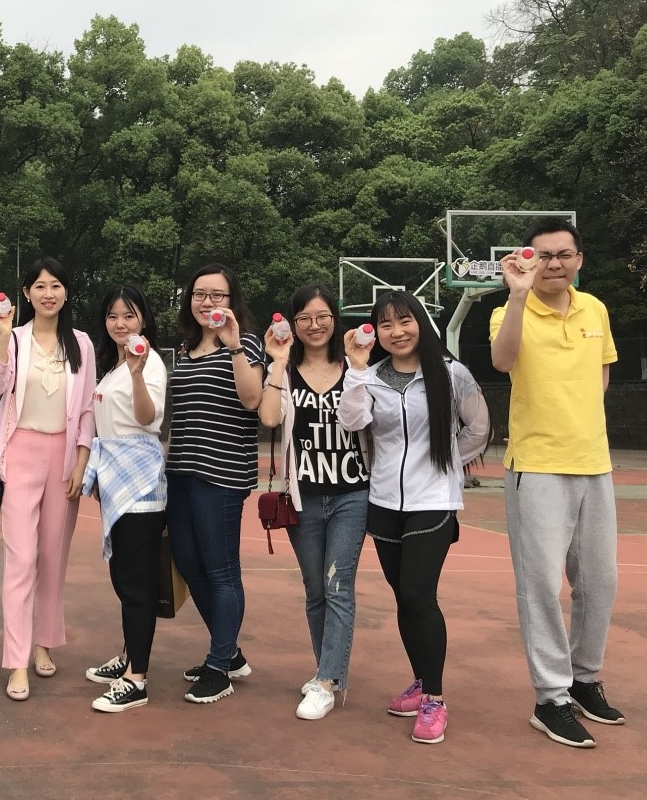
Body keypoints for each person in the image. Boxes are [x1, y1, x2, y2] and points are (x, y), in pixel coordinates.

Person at [490, 217, 624, 748]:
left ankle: (584, 678)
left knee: (600, 582)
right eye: (542, 255)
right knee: (541, 587)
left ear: (579, 259)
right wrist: (518, 296)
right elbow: (502, 360)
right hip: (538, 465)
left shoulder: (595, 309)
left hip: (594, 462)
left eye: (563, 254)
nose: (553, 264)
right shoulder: (509, 309)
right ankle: (550, 698)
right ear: (528, 260)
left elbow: (602, 374)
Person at [338, 290, 489, 745]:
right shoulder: (370, 377)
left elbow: (479, 427)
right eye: (386, 324)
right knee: (403, 597)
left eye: (404, 321)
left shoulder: (451, 374)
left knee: (419, 595)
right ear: (376, 332)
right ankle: (422, 682)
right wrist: (356, 369)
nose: (397, 332)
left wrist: (445, 465)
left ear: (421, 323)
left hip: (433, 503)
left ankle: (435, 699)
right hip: (384, 502)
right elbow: (351, 421)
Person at [0, 258, 96, 702]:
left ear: (66, 292)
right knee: (21, 560)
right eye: (40, 286)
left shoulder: (81, 343)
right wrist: (2, 334)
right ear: (26, 293)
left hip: (63, 459)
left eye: (56, 285)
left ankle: (44, 642)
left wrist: (81, 463)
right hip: (19, 454)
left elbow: (87, 408)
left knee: (52, 558)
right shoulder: (15, 338)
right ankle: (16, 660)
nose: (49, 293)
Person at [258, 285, 370, 721]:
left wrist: (359, 368)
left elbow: (366, 420)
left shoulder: (355, 366)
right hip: (302, 496)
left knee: (338, 586)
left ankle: (325, 681)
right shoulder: (285, 373)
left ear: (335, 319)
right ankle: (329, 671)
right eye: (304, 317)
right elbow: (269, 417)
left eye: (322, 316)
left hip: (351, 494)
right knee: (315, 590)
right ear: (292, 324)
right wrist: (277, 360)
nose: (314, 325)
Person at [165, 263, 264, 705]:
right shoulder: (185, 348)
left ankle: (219, 666)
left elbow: (252, 399)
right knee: (188, 564)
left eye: (217, 295)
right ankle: (230, 652)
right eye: (200, 294)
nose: (208, 302)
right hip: (181, 472)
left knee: (221, 570)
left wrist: (235, 344)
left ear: (232, 300)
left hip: (221, 475)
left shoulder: (246, 344)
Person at [80, 285, 166, 713]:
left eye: (129, 315)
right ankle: (131, 655)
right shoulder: (113, 364)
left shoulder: (148, 363)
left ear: (143, 320)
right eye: (113, 316)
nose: (120, 323)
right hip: (115, 478)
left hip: (140, 482)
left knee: (135, 583)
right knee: (122, 576)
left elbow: (147, 419)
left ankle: (137, 679)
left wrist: (136, 374)